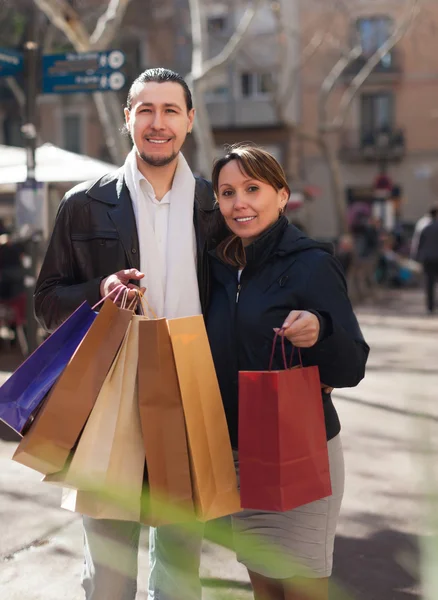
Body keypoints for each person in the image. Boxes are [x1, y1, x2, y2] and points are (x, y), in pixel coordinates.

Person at [34, 67, 226, 600]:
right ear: (127, 119)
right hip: (110, 391)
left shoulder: (216, 208)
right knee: (111, 571)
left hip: (193, 389)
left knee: (182, 567)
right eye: (145, 109)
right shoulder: (83, 202)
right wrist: (101, 288)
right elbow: (46, 301)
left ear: (189, 120)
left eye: (170, 110)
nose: (157, 122)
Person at [206, 144, 370, 600]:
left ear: (281, 195)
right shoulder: (219, 269)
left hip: (300, 449)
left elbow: (352, 363)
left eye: (252, 188)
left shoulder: (311, 263)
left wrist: (321, 329)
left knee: (301, 588)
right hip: (239, 455)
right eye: (227, 192)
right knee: (264, 586)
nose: (240, 202)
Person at [416, 206, 438, 313]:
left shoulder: (426, 228)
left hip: (428, 258)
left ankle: (430, 307)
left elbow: (419, 245)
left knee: (429, 283)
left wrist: (418, 258)